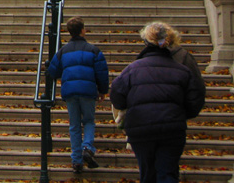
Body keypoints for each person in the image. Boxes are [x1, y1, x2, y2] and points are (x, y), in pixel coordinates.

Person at [110, 22, 205, 183]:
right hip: (172, 127)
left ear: (146, 42)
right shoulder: (182, 70)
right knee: (168, 172)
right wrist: (181, 114)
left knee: (147, 173)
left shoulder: (132, 69)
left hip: (140, 128)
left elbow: (117, 97)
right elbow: (197, 97)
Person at [48, 16, 109, 174]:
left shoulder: (63, 51)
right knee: (88, 120)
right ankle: (87, 147)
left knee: (74, 125)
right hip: (88, 91)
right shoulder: (93, 50)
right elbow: (101, 72)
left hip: (70, 91)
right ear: (83, 30)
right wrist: (103, 90)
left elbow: (53, 71)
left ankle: (76, 160)